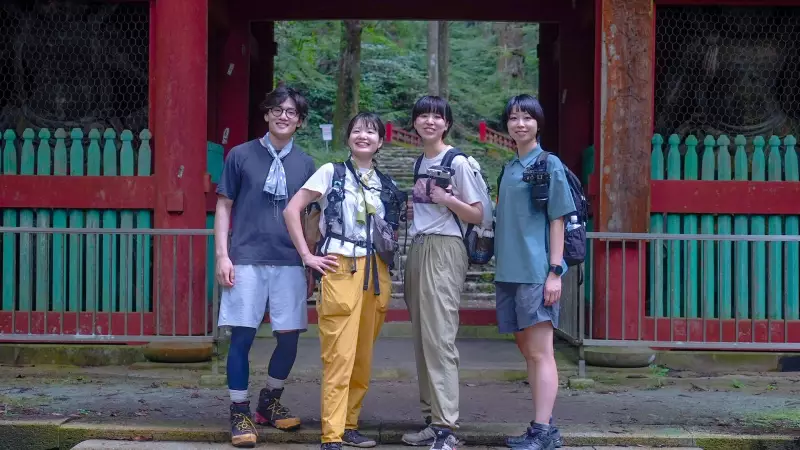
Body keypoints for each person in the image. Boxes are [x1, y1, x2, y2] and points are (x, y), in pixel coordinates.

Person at [283, 112, 407, 450]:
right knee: (339, 354)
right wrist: (307, 256)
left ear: (381, 141)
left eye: (371, 132)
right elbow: (292, 209)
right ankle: (332, 435)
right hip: (340, 266)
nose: (363, 136)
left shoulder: (386, 183)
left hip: (376, 270)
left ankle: (350, 424)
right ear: (347, 138)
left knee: (362, 356)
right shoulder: (330, 173)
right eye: (357, 130)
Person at [214, 84, 317, 448]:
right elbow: (224, 205)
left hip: (289, 260)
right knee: (241, 336)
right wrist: (223, 255)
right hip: (246, 259)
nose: (283, 115)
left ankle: (269, 401)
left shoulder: (306, 163)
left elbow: (309, 217)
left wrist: (310, 261)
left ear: (300, 121)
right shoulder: (240, 156)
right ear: (266, 114)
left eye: (291, 112)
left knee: (289, 337)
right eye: (277, 109)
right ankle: (238, 409)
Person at [401, 96, 485, 450]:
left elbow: (479, 214)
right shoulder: (422, 159)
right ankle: (431, 420)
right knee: (423, 338)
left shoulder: (459, 161)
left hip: (445, 249)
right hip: (419, 247)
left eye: (438, 116)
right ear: (415, 123)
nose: (430, 121)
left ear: (447, 123)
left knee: (439, 338)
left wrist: (447, 200)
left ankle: (447, 428)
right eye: (423, 115)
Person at [494, 94, 574, 450]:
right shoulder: (510, 167)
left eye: (527, 117)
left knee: (542, 352)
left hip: (536, 272)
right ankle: (544, 426)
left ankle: (542, 431)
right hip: (509, 273)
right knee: (529, 352)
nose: (520, 123)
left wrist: (555, 271)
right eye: (513, 118)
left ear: (538, 123)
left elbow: (558, 218)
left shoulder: (548, 164)